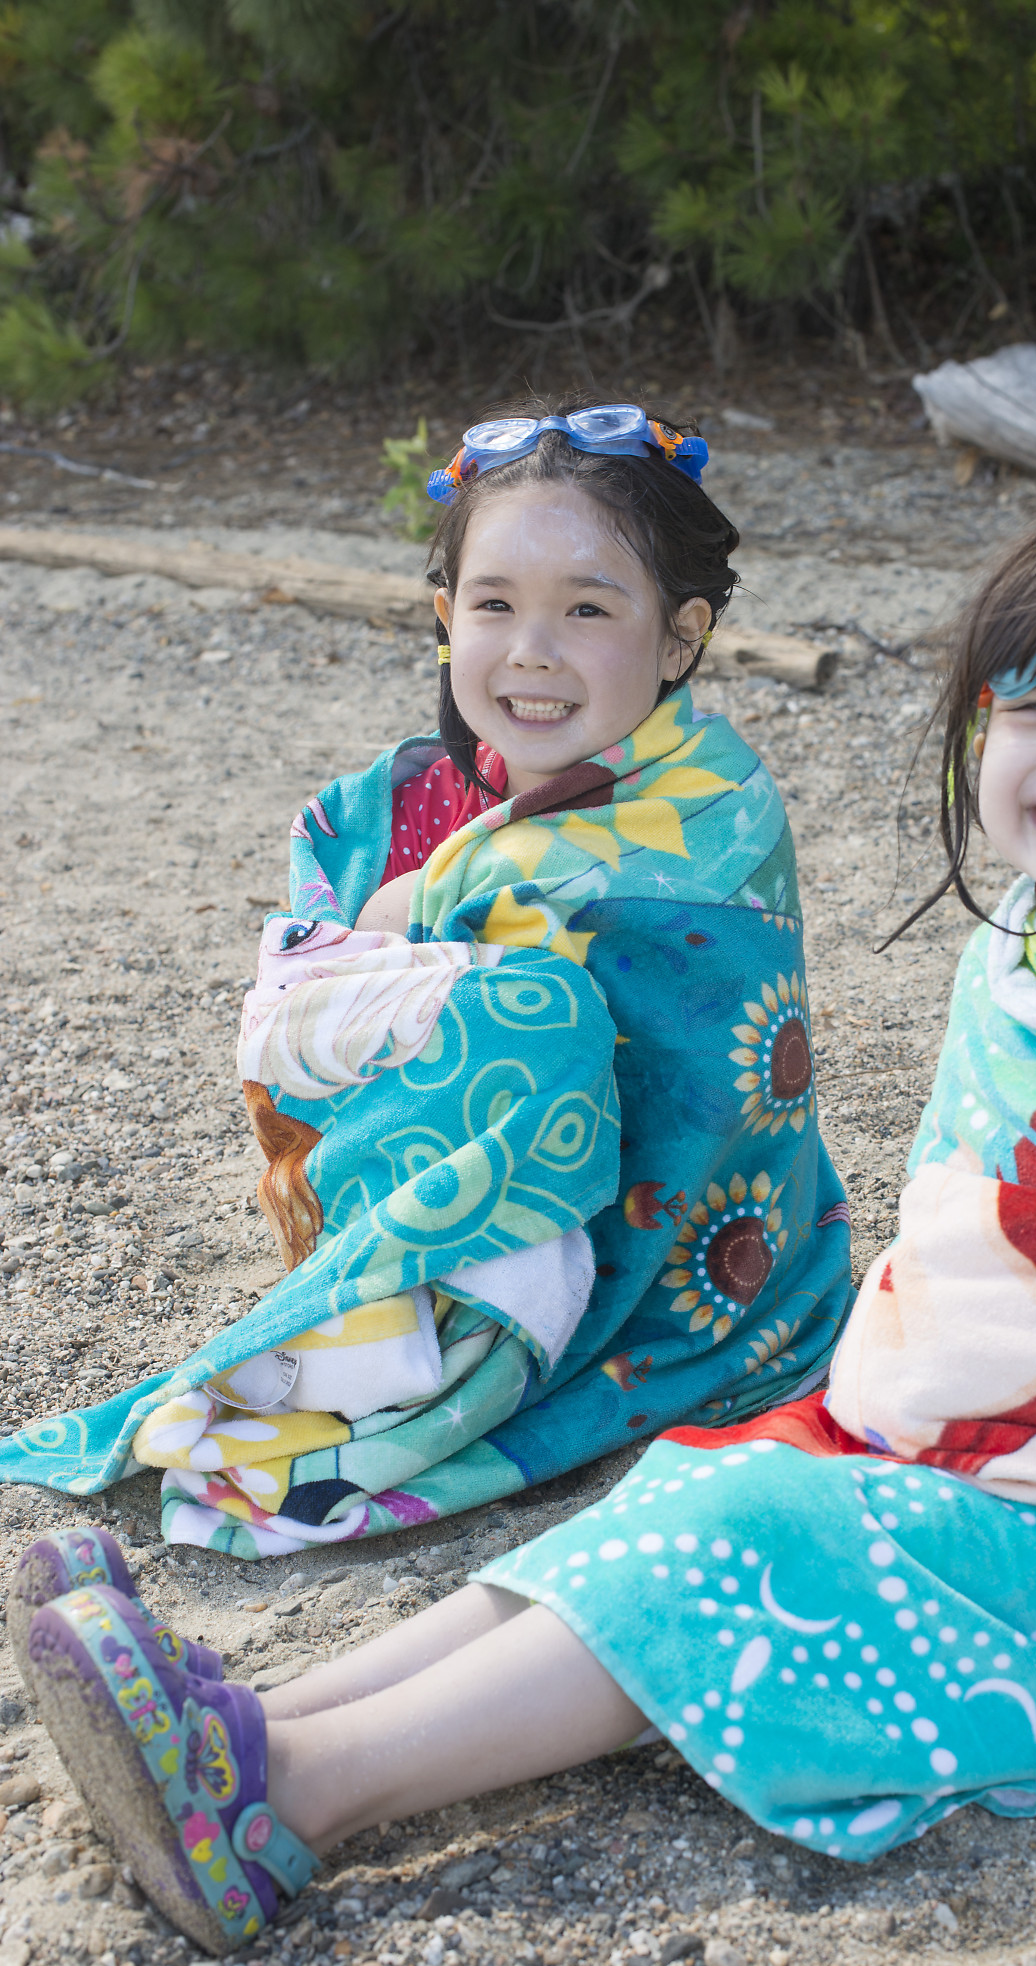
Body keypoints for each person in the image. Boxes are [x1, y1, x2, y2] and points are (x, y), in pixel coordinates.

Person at [13, 498, 1036, 1958]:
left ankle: (290, 1794)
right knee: (675, 1493)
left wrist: (990, 1427)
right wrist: (923, 1406)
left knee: (746, 1538)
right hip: (934, 1436)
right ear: (977, 739)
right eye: (1034, 708)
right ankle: (245, 1709)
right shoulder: (1015, 951)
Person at [0, 399, 849, 1557]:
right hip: (467, 1192)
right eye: (495, 604)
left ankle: (445, 1345)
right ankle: (387, 1280)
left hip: (664, 1255)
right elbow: (299, 1027)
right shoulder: (402, 814)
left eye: (588, 609)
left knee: (531, 1016)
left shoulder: (712, 814)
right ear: (448, 618)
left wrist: (420, 941)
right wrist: (401, 923)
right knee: (408, 906)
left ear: (679, 636)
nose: (533, 649)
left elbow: (711, 1076)